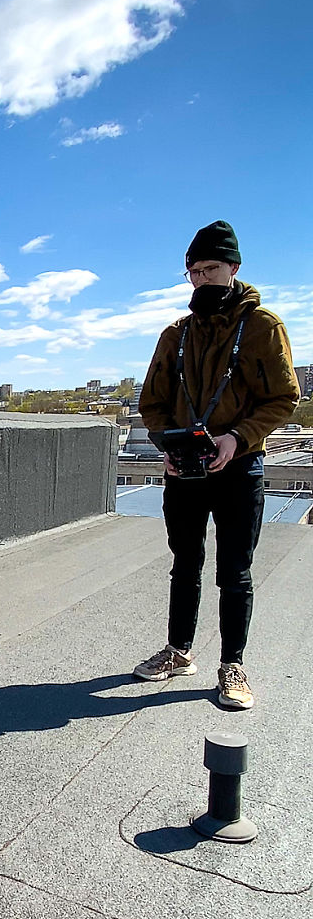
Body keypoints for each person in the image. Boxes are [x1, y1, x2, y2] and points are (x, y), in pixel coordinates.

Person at [134, 220, 299, 709]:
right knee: (185, 565)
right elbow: (152, 401)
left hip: (239, 466)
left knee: (235, 571)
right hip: (185, 469)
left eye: (210, 268)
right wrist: (168, 444)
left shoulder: (263, 327)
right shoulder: (175, 334)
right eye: (193, 271)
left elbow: (284, 398)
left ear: (234, 268)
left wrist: (237, 437)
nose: (201, 278)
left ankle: (233, 664)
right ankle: (179, 651)